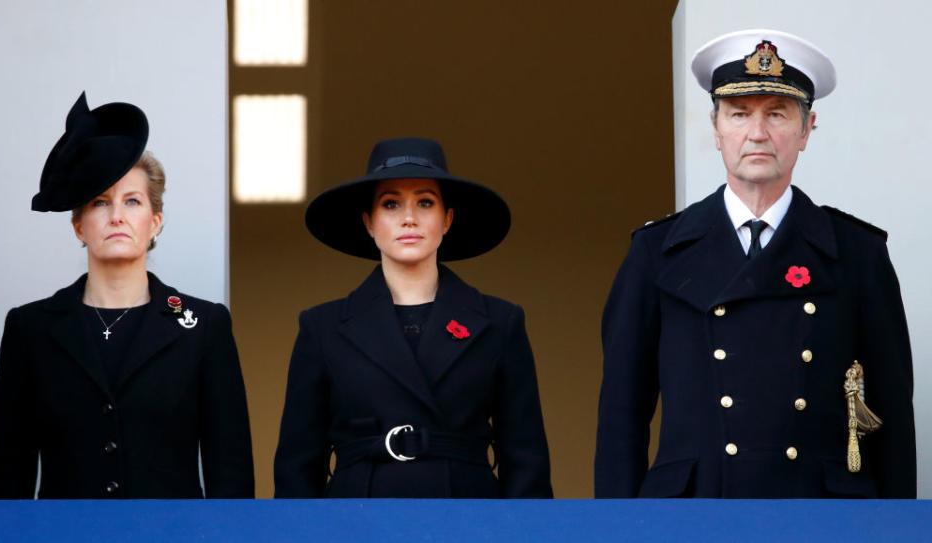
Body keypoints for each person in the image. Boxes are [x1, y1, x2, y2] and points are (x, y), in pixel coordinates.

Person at [595, 29, 915, 498]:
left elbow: (891, 417)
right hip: (695, 512)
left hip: (818, 515)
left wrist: (894, 530)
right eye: (739, 114)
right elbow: (622, 415)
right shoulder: (656, 252)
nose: (757, 133)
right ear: (717, 128)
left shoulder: (857, 254)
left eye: (777, 115)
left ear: (806, 130)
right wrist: (619, 530)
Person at [0, 92, 254, 499]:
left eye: (132, 201)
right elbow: (9, 473)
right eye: (100, 202)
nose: (116, 216)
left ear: (155, 222)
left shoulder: (203, 326)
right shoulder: (31, 328)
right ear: (78, 226)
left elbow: (230, 471)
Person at [274, 137, 552, 498]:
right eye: (390, 204)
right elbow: (297, 466)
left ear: (447, 219)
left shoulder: (500, 322)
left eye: (425, 202)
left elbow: (526, 459)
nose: (409, 218)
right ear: (369, 223)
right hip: (355, 521)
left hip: (470, 519)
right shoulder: (321, 328)